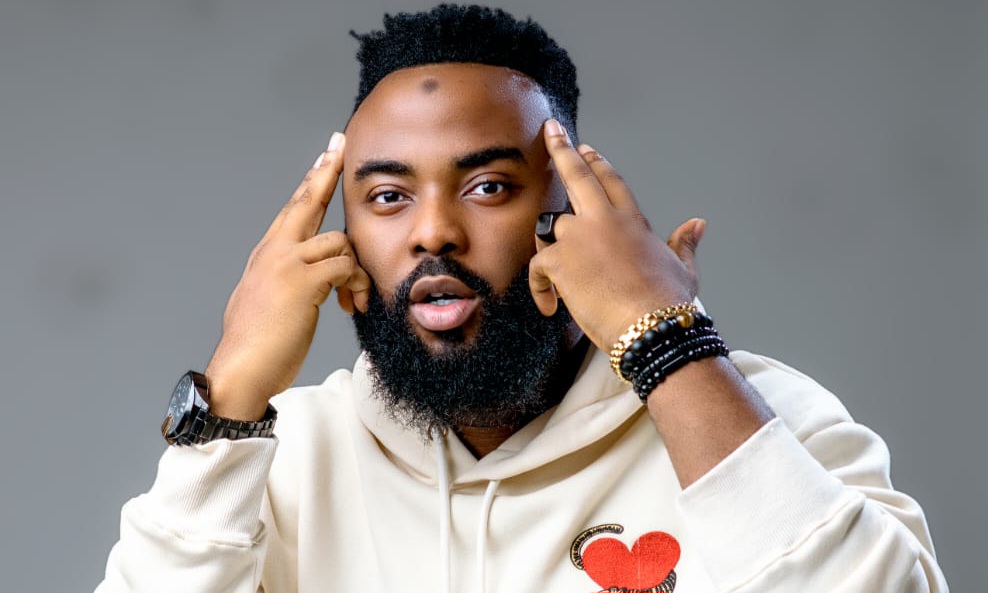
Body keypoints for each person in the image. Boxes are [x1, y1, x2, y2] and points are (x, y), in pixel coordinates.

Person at [96, 5, 948, 592]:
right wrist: (229, 402)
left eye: (489, 186)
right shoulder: (281, 459)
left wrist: (671, 346)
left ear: (576, 214)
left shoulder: (762, 420)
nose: (433, 232)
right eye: (388, 196)